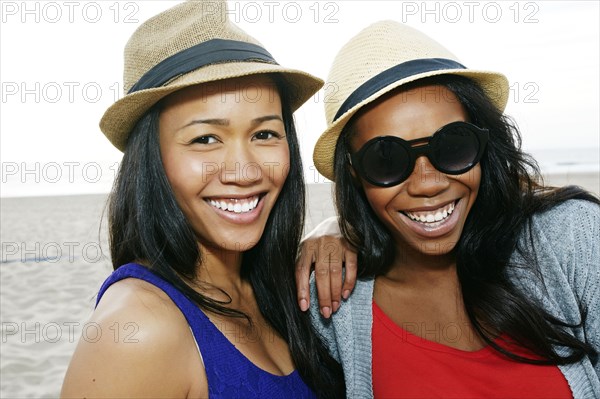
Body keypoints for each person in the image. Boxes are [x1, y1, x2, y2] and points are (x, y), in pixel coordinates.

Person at [295, 20, 600, 398]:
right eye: (387, 160)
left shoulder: (574, 238)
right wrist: (332, 229)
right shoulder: (333, 302)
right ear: (355, 174)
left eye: (453, 146)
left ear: (484, 144)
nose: (428, 183)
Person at [60, 1, 345, 398]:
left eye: (264, 134)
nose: (244, 171)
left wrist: (337, 230)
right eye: (205, 139)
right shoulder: (138, 330)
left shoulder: (279, 291)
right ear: (152, 160)